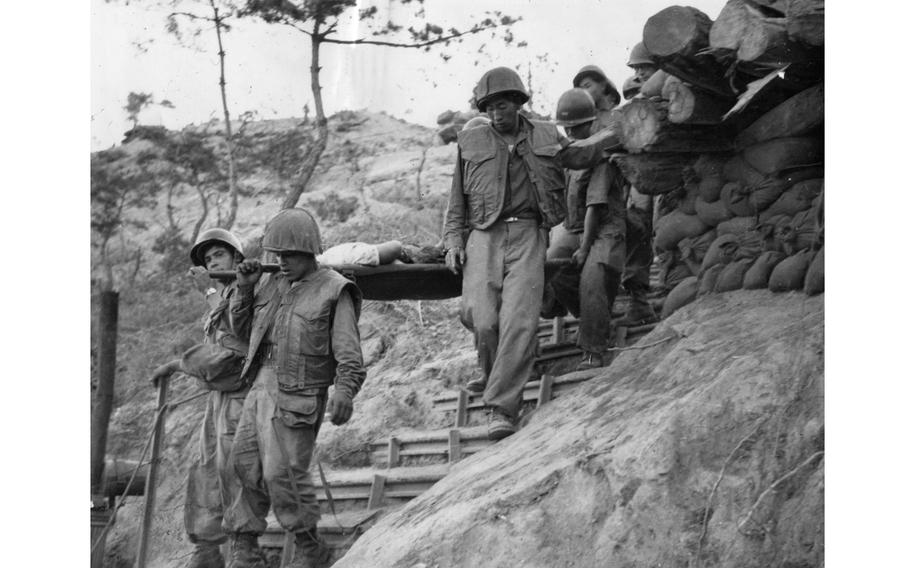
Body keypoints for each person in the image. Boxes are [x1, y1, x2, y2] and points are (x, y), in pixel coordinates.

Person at [444, 66, 621, 441]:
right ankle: (494, 377)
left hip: (528, 233)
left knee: (519, 321)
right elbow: (456, 199)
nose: (496, 113)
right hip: (483, 235)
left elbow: (578, 155)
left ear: (519, 103)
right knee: (484, 319)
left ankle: (502, 407)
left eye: (503, 105)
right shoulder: (472, 141)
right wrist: (453, 242)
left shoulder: (544, 134)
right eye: (489, 107)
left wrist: (616, 135)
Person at [222, 208, 365, 568]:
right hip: (259, 387)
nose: (281, 262)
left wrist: (345, 390)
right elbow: (242, 333)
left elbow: (349, 350)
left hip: (299, 395)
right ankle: (245, 547)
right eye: (277, 255)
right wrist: (244, 288)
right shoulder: (271, 284)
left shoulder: (335, 289)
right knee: (242, 466)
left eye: (289, 255)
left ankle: (308, 546)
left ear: (309, 251)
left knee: (281, 473)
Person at [150, 228, 250, 568]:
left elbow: (234, 341)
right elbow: (215, 348)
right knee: (205, 469)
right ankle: (207, 550)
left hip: (244, 395)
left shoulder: (246, 289)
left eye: (218, 255)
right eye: (207, 259)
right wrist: (176, 364)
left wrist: (207, 289)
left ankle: (242, 551)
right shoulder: (222, 293)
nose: (212, 262)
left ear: (236, 257)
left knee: (231, 469)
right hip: (220, 398)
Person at [548, 88, 629, 370]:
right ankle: (593, 318)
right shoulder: (570, 157)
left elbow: (595, 206)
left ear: (592, 123)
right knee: (552, 268)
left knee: (592, 278)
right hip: (574, 227)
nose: (571, 133)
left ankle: (593, 348)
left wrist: (584, 249)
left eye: (577, 127)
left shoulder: (601, 155)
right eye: (566, 128)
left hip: (605, 227)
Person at [615, 43, 661, 326]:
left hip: (669, 179)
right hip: (643, 183)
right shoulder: (639, 102)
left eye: (644, 66)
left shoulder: (665, 90)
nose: (639, 73)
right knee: (640, 234)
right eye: (636, 68)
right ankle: (640, 303)